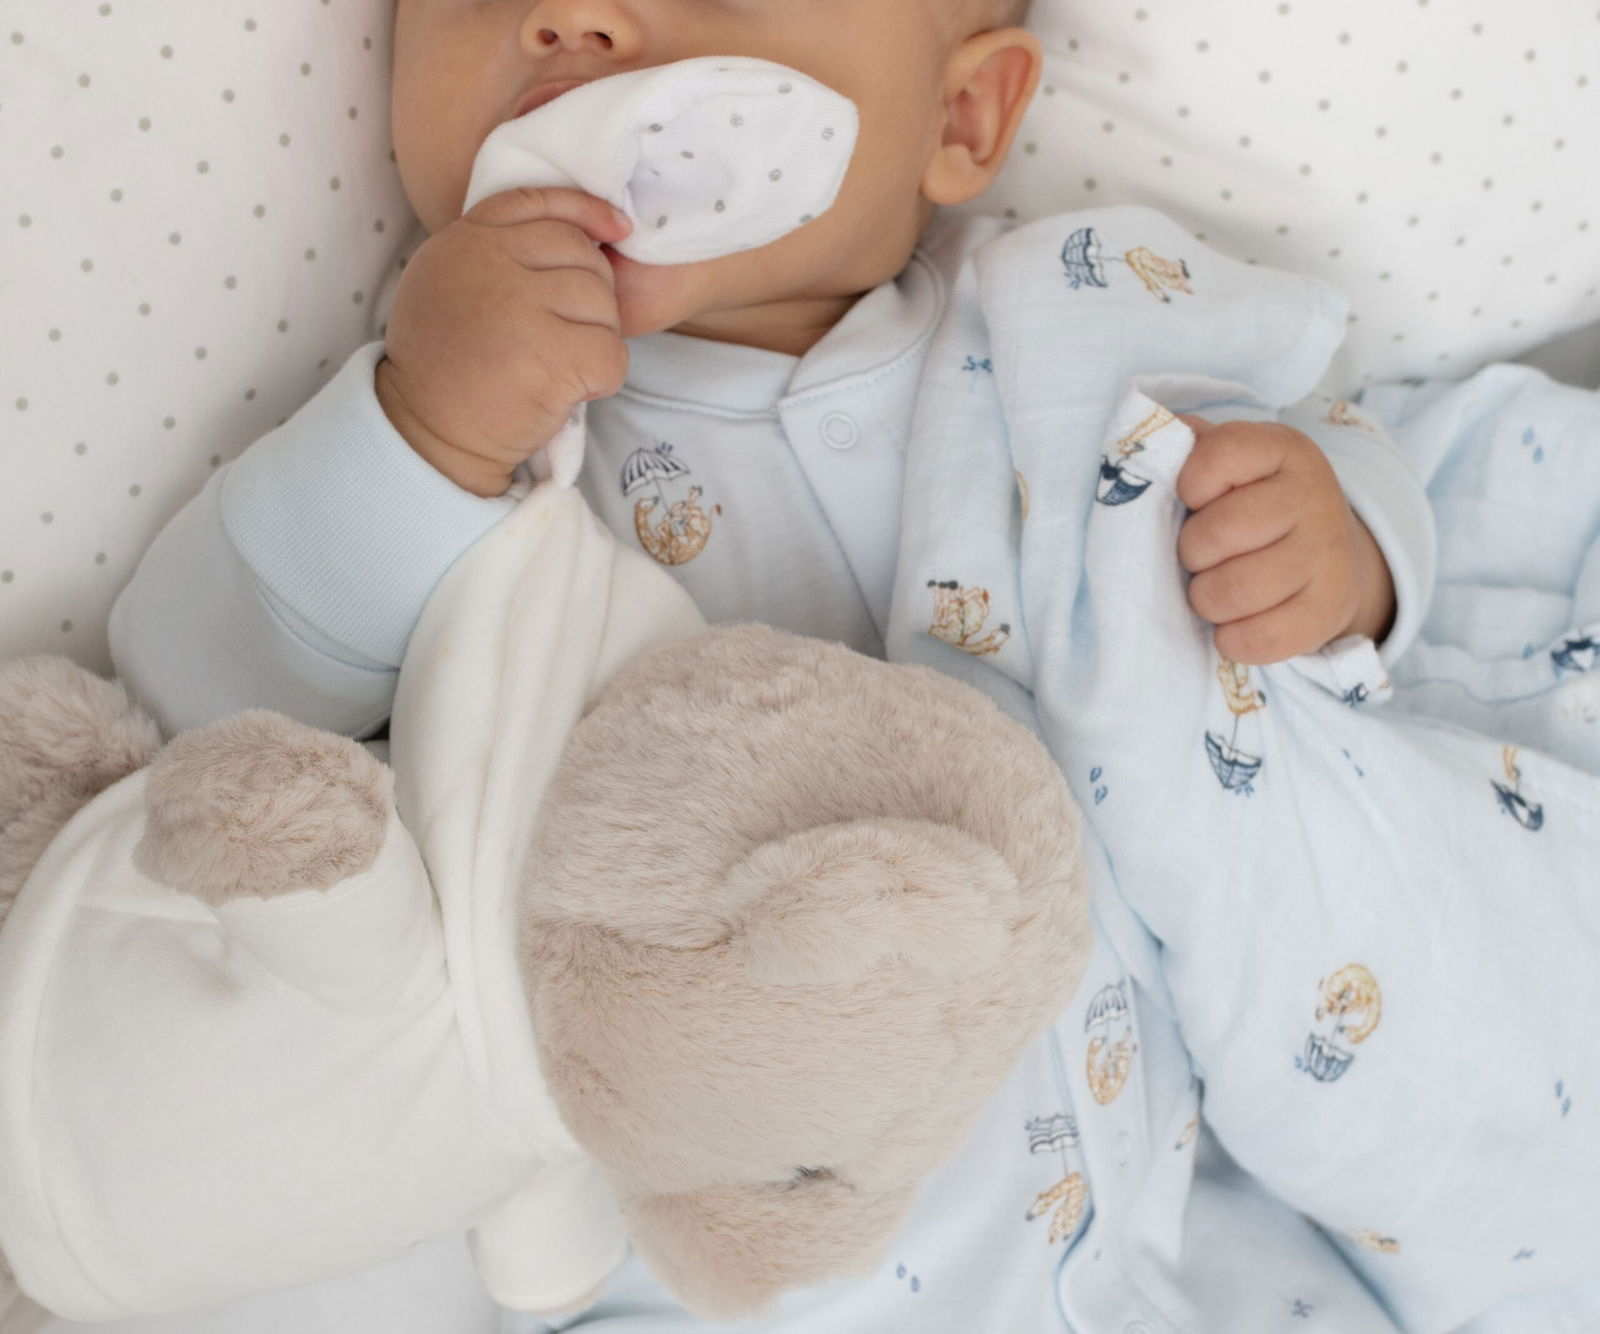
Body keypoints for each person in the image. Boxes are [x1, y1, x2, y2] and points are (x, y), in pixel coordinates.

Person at [108, 1, 1444, 1328]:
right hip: (685, 1276)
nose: (571, 18)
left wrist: (1345, 559)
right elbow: (198, 707)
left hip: (1147, 1230)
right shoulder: (468, 420)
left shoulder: (1065, 321)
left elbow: (1341, 444)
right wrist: (422, 426)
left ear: (962, 117)